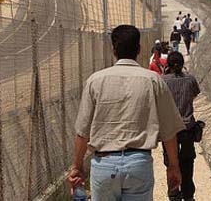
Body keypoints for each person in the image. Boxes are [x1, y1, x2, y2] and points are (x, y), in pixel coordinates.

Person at [69, 25, 185, 201]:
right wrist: (173, 167)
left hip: (104, 164)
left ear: (113, 49)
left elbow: (82, 132)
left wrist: (77, 166)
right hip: (138, 163)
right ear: (139, 49)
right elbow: (169, 131)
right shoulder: (153, 81)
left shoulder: (95, 81)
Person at [162, 52, 200, 201]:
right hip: (187, 128)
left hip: (169, 130)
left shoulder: (162, 81)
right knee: (187, 163)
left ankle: (173, 194)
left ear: (168, 65)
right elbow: (194, 94)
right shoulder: (190, 79)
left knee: (171, 163)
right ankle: (188, 195)